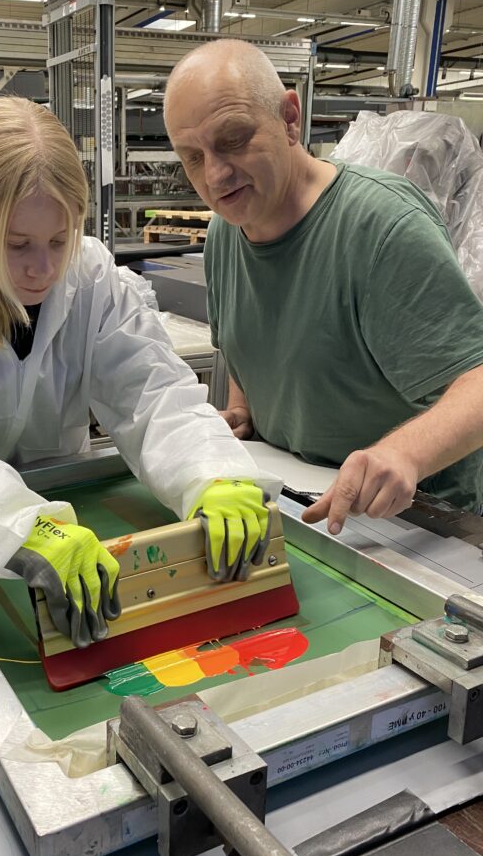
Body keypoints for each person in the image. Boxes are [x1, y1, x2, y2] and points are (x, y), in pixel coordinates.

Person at [0, 96, 281, 649]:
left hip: (68, 508)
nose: (42, 268)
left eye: (58, 240)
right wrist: (17, 525)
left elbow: (154, 394)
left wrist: (213, 475)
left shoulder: (91, 276)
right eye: (17, 245)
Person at [163, 38, 483, 533]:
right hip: (299, 498)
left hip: (415, 523)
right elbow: (247, 350)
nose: (216, 174)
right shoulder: (223, 235)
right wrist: (243, 410)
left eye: (233, 138)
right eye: (192, 157)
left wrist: (403, 452)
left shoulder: (380, 228)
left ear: (290, 118)